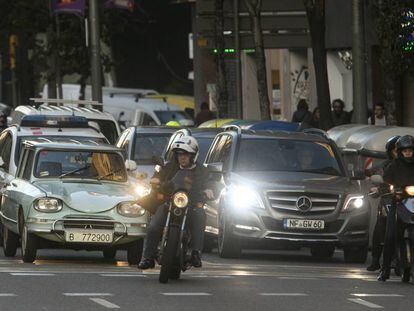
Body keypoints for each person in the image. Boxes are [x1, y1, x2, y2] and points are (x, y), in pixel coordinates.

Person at [137, 135, 214, 270]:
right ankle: (148, 257)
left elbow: (209, 183)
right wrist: (156, 180)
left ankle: (196, 253)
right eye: (179, 154)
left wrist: (209, 190)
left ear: (193, 155)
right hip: (169, 202)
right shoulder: (170, 167)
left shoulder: (202, 170)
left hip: (191, 204)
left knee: (200, 214)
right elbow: (159, 176)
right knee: (154, 225)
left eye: (186, 154)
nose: (182, 157)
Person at [378, 135, 414, 281]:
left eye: (410, 151)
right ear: (399, 152)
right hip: (398, 203)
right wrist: (390, 189)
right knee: (391, 235)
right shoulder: (394, 166)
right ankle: (385, 268)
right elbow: (385, 182)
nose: (408, 153)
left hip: (413, 203)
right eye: (405, 151)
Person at [365, 135, 400, 272]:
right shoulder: (386, 165)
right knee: (380, 226)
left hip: (408, 202)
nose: (402, 153)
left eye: (407, 150)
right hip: (389, 200)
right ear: (390, 152)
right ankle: (375, 260)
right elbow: (375, 173)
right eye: (397, 150)